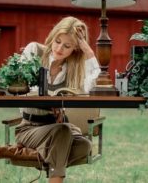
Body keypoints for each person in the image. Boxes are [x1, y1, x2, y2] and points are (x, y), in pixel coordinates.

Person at [16, 16, 101, 183]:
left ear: (75, 49)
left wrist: (89, 52)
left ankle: (46, 151)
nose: (59, 48)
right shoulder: (34, 51)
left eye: (67, 46)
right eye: (57, 41)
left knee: (85, 146)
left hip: (58, 128)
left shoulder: (74, 68)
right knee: (63, 131)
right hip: (30, 128)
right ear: (52, 36)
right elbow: (19, 90)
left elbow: (94, 89)